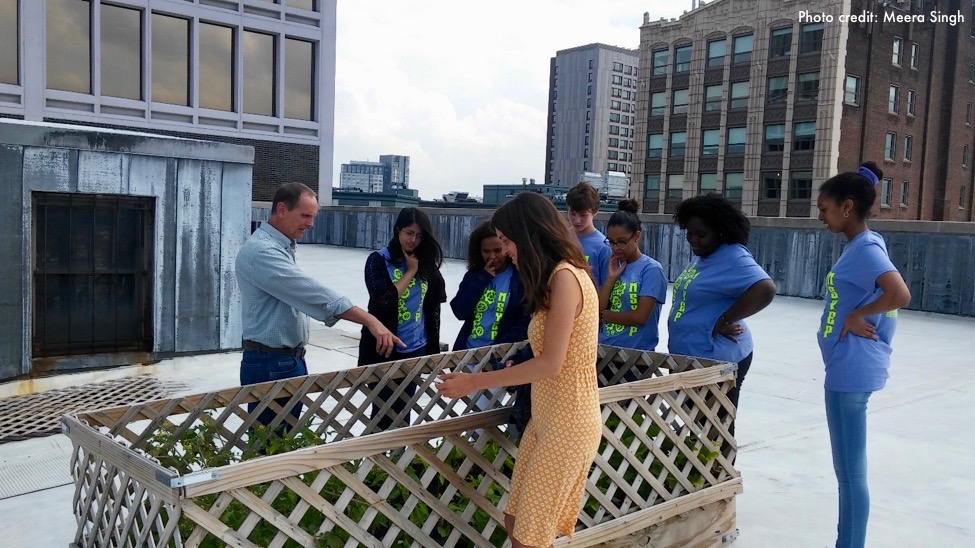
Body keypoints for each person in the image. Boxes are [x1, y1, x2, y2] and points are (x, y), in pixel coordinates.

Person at [437, 192, 601, 548]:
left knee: (530, 537)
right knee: (515, 521)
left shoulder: (565, 278)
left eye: (509, 241)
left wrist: (473, 382)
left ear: (529, 235)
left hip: (567, 422)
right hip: (546, 417)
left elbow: (551, 363)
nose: (507, 250)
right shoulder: (553, 278)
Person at [236, 182, 401, 429]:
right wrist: (371, 320)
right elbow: (314, 294)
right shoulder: (262, 252)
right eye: (305, 215)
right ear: (281, 209)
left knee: (282, 443)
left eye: (313, 216)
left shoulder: (281, 246)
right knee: (270, 449)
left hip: (283, 360)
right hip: (270, 362)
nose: (310, 223)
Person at [816, 162, 911, 548]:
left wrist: (857, 315)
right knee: (847, 471)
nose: (821, 216)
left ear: (847, 207)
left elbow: (899, 294)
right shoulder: (862, 246)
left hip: (852, 370)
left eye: (824, 208)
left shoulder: (867, 248)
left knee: (851, 473)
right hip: (845, 366)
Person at [667, 193, 777, 436]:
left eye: (701, 234)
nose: (694, 240)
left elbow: (765, 288)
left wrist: (726, 319)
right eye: (690, 233)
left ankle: (721, 473)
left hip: (718, 359)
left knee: (716, 429)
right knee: (697, 426)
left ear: (720, 232)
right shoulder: (705, 257)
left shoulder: (733, 255)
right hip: (694, 357)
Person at [360, 207, 447, 431]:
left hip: (415, 347)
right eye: (409, 233)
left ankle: (399, 459)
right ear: (398, 231)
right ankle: (378, 462)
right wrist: (409, 272)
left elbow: (437, 299)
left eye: (419, 236)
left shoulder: (421, 261)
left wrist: (425, 266)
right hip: (384, 349)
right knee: (381, 412)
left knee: (404, 411)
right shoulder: (378, 261)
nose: (413, 240)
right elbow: (384, 301)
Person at [598, 199, 668, 353]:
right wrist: (610, 279)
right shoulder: (613, 265)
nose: (616, 248)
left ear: (637, 236)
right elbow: (597, 310)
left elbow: (640, 317)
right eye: (611, 242)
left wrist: (606, 316)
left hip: (635, 355)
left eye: (622, 242)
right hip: (604, 350)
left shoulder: (651, 269)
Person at [450, 219, 530, 351]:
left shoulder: (520, 278)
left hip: (499, 356)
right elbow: (460, 311)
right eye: (486, 251)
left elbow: (524, 322)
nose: (492, 257)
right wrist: (482, 279)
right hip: (467, 353)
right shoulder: (474, 275)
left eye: (498, 250)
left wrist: (496, 350)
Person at [566, 181, 612, 288]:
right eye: (572, 213)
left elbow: (606, 286)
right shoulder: (561, 238)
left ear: (595, 212)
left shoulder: (603, 247)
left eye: (583, 215)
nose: (577, 220)